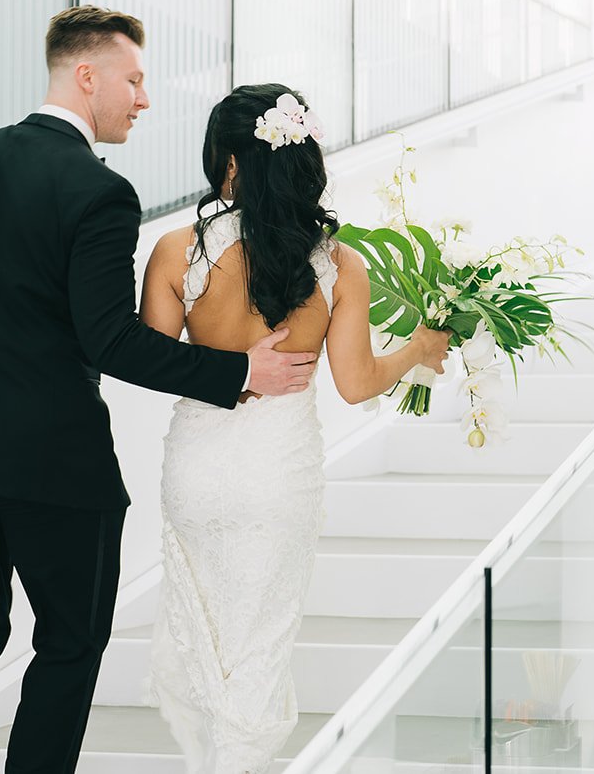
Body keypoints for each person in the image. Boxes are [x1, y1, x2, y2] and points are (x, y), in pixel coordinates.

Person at [0, 7, 317, 774]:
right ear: (87, 76)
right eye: (134, 79)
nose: (143, 99)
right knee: (68, 643)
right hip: (56, 467)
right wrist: (241, 372)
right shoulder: (99, 192)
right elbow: (109, 340)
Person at [139, 84, 450, 772]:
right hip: (279, 471)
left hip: (197, 466)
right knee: (259, 647)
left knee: (214, 640)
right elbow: (357, 381)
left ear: (227, 164)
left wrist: (226, 368)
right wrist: (421, 349)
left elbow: (151, 361)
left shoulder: (174, 252)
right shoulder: (340, 263)